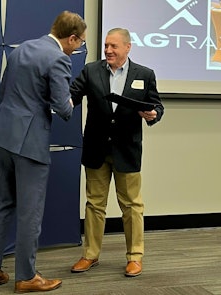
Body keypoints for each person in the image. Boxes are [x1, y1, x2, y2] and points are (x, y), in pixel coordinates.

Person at [0, 11, 86, 293]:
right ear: (71, 37)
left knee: (3, 204)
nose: (78, 48)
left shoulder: (22, 48)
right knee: (30, 212)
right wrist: (73, 97)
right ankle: (26, 276)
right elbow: (64, 109)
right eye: (79, 43)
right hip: (30, 142)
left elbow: (3, 93)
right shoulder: (59, 59)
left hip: (4, 135)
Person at [69, 28, 164, 277]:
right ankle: (90, 255)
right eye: (106, 46)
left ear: (128, 47)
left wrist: (153, 114)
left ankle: (135, 256)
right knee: (94, 204)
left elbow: (156, 106)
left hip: (127, 150)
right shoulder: (91, 70)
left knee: (132, 206)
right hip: (96, 149)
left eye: (114, 46)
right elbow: (72, 95)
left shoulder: (144, 74)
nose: (108, 50)